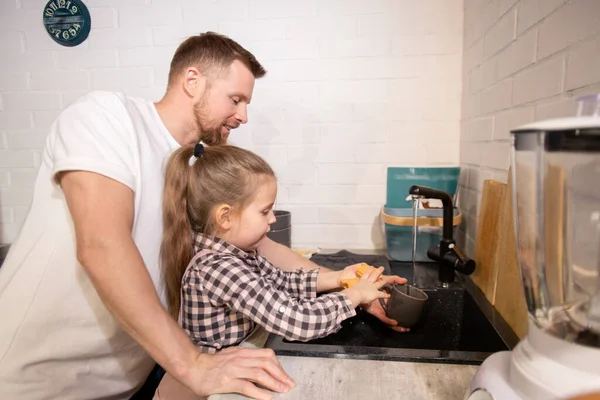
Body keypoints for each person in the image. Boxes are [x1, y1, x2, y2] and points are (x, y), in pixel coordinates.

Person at [0, 31, 405, 400]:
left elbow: (261, 249)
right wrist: (192, 364)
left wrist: (342, 282)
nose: (244, 116)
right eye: (236, 99)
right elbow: (102, 245)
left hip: (128, 379)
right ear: (192, 81)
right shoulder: (106, 117)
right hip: (39, 383)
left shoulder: (195, 165)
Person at [154, 143, 399, 399]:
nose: (272, 219)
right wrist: (355, 296)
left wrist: (339, 278)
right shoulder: (219, 268)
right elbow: (297, 320)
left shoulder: (238, 254)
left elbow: (281, 281)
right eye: (264, 211)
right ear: (225, 217)